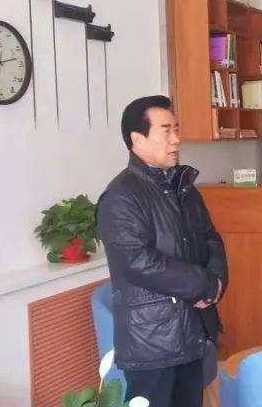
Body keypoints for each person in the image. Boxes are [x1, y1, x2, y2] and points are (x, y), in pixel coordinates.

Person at [96, 95, 228, 407]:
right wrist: (204, 284)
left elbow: (210, 238)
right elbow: (138, 262)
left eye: (176, 129)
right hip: (153, 342)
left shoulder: (183, 187)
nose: (176, 139)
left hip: (192, 331)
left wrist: (218, 282)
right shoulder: (120, 197)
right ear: (137, 139)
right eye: (166, 131)